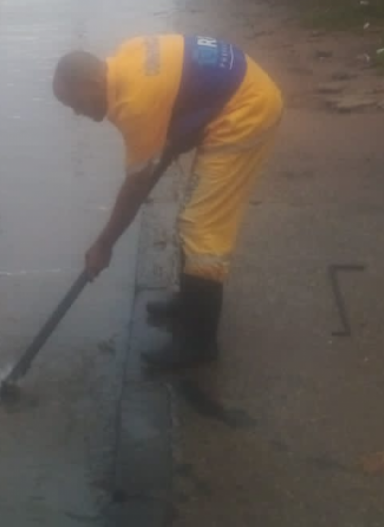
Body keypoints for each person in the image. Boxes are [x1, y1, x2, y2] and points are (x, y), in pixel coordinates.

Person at [53, 35, 284, 369]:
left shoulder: (135, 104)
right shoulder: (124, 61)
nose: (77, 112)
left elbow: (135, 186)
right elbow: (173, 100)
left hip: (245, 111)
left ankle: (199, 345)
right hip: (238, 90)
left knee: (203, 228)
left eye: (75, 102)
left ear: (91, 82)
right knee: (193, 219)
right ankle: (190, 305)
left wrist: (104, 244)